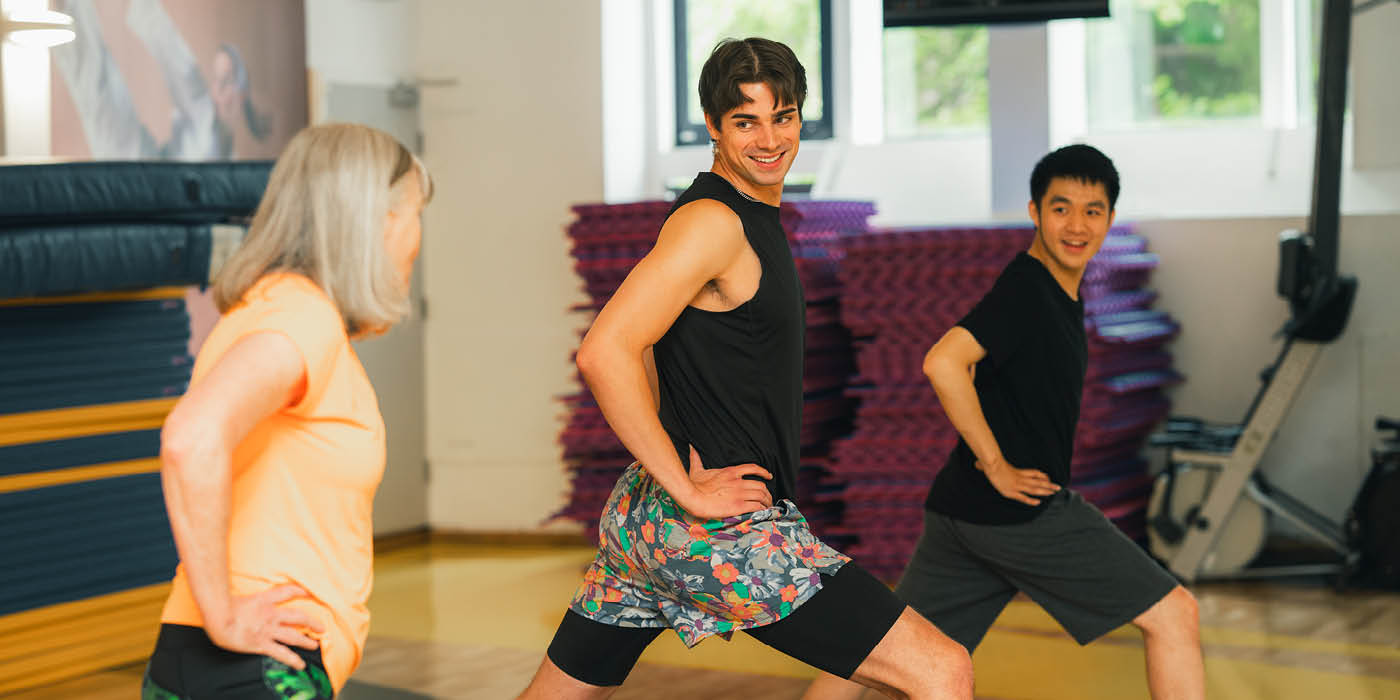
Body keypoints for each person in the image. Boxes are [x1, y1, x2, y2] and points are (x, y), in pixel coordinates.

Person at [517, 38, 973, 700]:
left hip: (651, 520)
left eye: (782, 116)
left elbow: (647, 344)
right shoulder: (714, 222)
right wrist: (689, 489)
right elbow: (606, 349)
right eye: (745, 121)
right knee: (942, 668)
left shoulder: (745, 218)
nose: (769, 138)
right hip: (713, 529)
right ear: (712, 125)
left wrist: (670, 476)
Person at [802, 145, 1205, 700]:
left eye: (1093, 210)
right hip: (1016, 514)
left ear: (1110, 219)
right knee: (1174, 614)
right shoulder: (1030, 291)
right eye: (1061, 207)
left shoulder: (1058, 292)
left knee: (887, 655)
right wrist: (996, 465)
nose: (1077, 224)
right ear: (1036, 212)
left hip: (960, 512)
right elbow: (943, 361)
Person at [144, 123, 432, 698]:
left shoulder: (272, 304)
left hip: (201, 653)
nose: (418, 238)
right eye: (417, 214)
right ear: (382, 221)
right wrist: (224, 614)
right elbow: (190, 437)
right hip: (261, 664)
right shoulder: (304, 319)